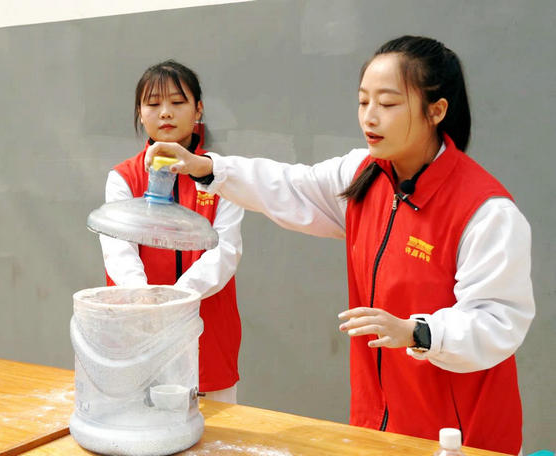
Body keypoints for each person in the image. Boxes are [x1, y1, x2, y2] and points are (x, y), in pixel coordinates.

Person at [143, 37, 534, 455]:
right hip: (378, 425)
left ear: (436, 111)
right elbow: (290, 185)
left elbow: (498, 322)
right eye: (363, 101)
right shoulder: (362, 175)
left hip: (459, 436)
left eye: (388, 103)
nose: (370, 116)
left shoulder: (485, 211)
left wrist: (417, 332)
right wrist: (207, 168)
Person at [100, 60, 244, 404]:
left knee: (216, 426)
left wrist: (179, 298)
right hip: (139, 326)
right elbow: (118, 251)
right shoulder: (123, 178)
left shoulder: (220, 175)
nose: (165, 112)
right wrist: (146, 298)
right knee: (138, 421)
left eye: (178, 102)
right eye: (153, 104)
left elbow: (226, 251)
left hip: (207, 331)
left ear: (199, 109)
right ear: (140, 113)